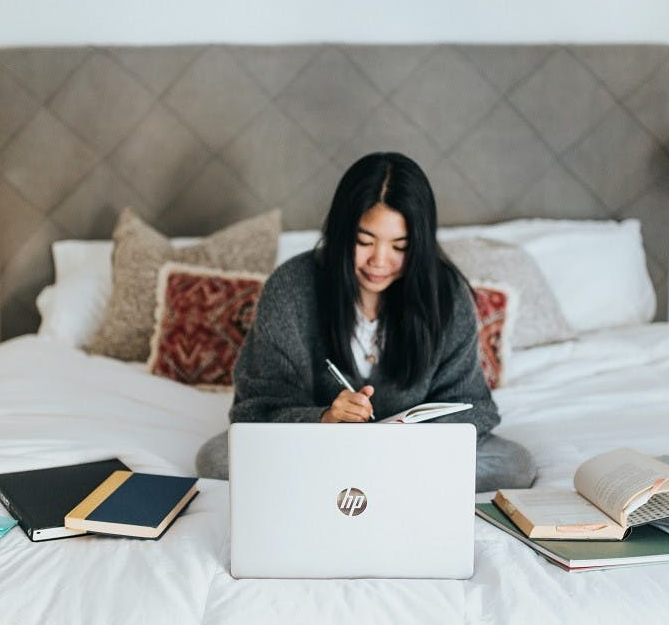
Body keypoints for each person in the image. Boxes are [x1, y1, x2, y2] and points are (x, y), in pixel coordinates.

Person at [196, 152, 536, 491]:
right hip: (316, 446)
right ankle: (384, 485)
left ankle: (350, 483)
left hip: (411, 454)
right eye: (364, 241)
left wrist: (408, 439)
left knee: (514, 464)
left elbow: (474, 406)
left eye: (400, 246)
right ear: (341, 233)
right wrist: (324, 419)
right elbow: (256, 410)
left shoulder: (446, 296)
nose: (380, 261)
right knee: (217, 458)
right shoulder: (290, 288)